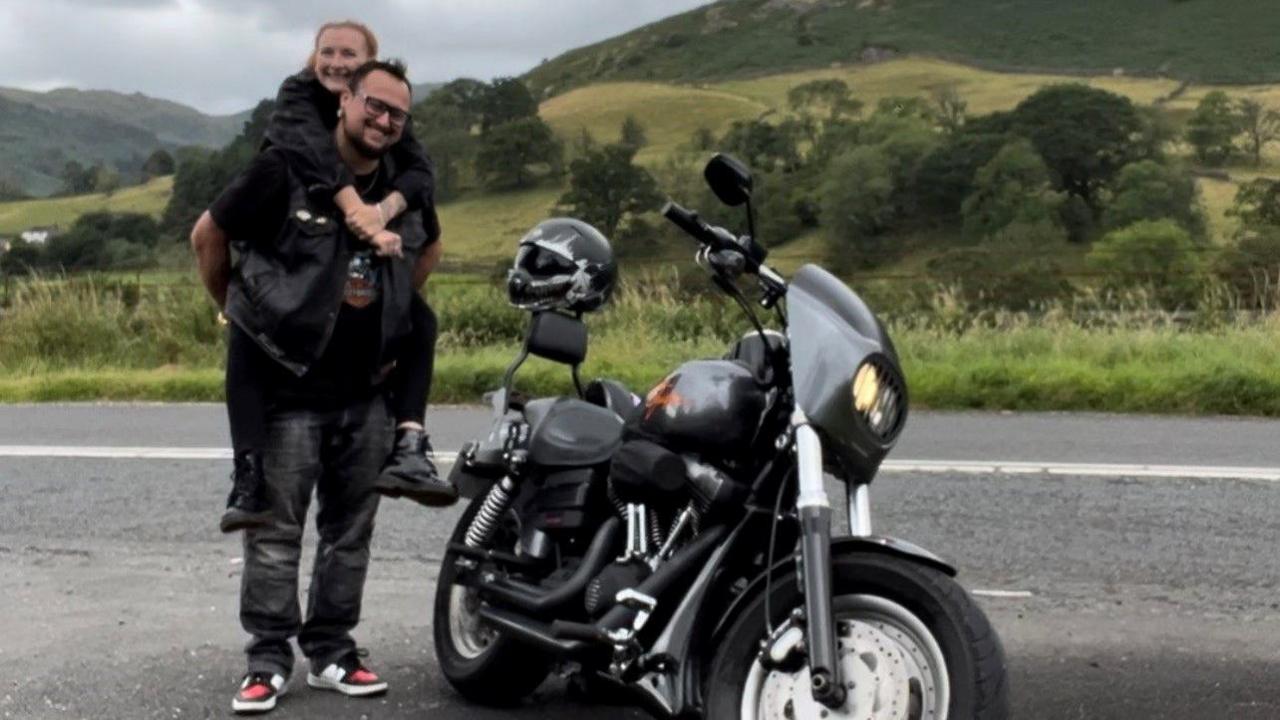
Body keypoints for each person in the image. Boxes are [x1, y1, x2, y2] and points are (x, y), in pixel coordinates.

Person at [192, 59, 432, 714]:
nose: (384, 120)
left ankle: (331, 650)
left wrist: (394, 317)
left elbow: (427, 247)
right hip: (287, 391)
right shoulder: (284, 169)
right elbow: (209, 234)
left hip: (369, 395)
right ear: (345, 101)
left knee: (349, 533)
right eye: (373, 105)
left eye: (397, 113)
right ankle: (267, 660)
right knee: (273, 533)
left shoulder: (405, 185)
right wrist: (239, 311)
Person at [219, 20, 454, 534]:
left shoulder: (386, 111)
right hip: (301, 246)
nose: (335, 60)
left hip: (362, 290)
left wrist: (385, 218)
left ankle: (411, 442)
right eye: (327, 51)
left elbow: (422, 177)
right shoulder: (297, 102)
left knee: (422, 322)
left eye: (350, 53)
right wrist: (357, 211)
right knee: (245, 330)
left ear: (368, 65)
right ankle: (248, 471)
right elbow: (319, 161)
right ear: (344, 94)